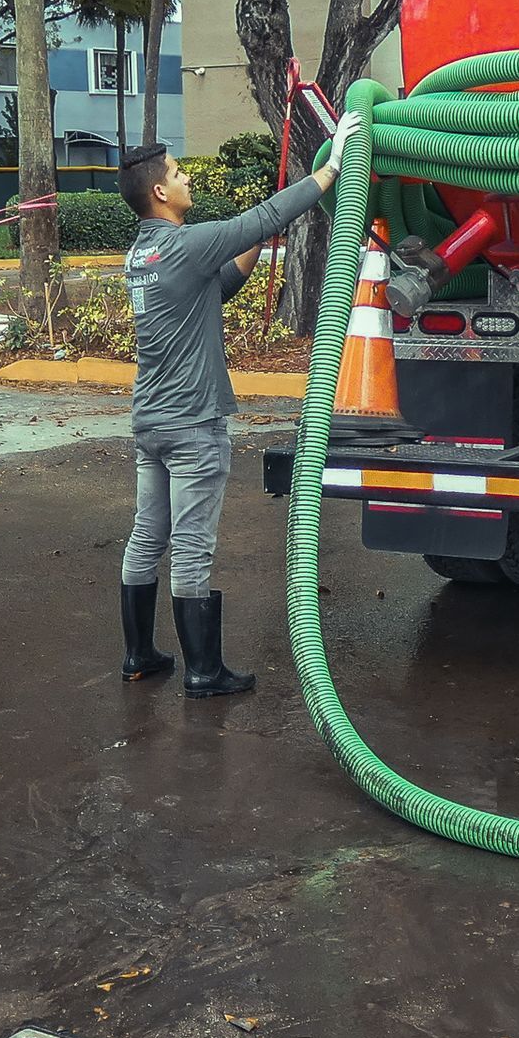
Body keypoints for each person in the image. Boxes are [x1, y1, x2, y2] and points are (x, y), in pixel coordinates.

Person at [117, 112, 361, 695]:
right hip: (193, 426)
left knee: (147, 538)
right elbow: (265, 215)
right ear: (160, 192)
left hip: (150, 423)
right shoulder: (186, 245)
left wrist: (256, 244)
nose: (186, 180)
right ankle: (203, 671)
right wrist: (330, 166)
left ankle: (140, 656)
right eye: (177, 174)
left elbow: (220, 283)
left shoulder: (143, 257)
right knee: (192, 548)